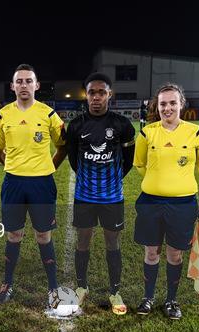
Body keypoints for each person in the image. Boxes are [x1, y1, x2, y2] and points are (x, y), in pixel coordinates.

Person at [133, 82, 199, 319]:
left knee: (175, 254)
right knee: (151, 252)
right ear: (156, 107)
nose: (167, 108)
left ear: (181, 104)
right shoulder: (147, 133)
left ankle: (171, 300)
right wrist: (156, 179)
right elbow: (139, 164)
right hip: (150, 202)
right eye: (162, 104)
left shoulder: (196, 132)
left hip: (183, 204)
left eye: (172, 103)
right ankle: (147, 298)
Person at [0, 64, 67, 304]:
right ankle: (7, 284)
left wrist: (49, 168)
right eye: (19, 81)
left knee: (43, 235)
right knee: (14, 235)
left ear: (37, 85)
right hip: (13, 183)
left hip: (42, 184)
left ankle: (53, 288)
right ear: (12, 86)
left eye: (28, 81)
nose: (24, 85)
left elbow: (63, 145)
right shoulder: (3, 115)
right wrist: (13, 167)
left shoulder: (49, 114)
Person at [65, 72, 135, 315]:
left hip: (112, 197)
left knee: (112, 243)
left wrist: (109, 181)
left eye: (101, 92)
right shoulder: (75, 126)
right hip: (84, 197)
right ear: (86, 95)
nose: (96, 97)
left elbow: (128, 161)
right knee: (83, 241)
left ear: (109, 95)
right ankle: (82, 287)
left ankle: (115, 291)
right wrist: (90, 180)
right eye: (92, 92)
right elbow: (74, 160)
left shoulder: (122, 125)